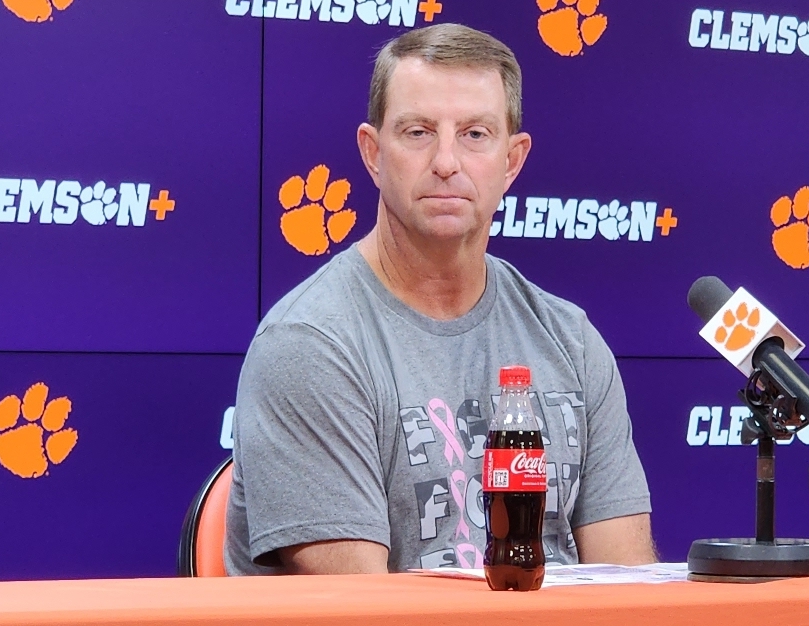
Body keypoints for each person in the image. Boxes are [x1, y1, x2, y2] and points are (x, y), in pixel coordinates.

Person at [225, 23, 654, 575]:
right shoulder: (310, 345)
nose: (446, 161)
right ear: (373, 153)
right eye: (419, 132)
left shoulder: (570, 340)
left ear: (512, 161)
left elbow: (627, 587)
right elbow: (358, 613)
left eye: (475, 134)